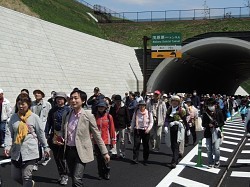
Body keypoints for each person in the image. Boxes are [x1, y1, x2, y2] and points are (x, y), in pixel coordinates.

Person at [61, 89, 110, 187]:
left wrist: (105, 152)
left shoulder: (88, 115)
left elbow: (97, 135)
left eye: (76, 98)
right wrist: (60, 138)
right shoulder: (66, 114)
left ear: (83, 101)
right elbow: (63, 130)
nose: (73, 100)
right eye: (71, 98)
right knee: (74, 178)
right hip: (69, 151)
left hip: (81, 151)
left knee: (77, 178)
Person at [4, 93, 50, 186]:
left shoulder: (34, 117)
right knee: (15, 176)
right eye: (19, 104)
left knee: (26, 176)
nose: (21, 106)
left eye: (23, 104)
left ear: (28, 104)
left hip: (30, 151)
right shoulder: (13, 117)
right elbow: (9, 133)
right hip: (16, 151)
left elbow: (40, 133)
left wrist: (46, 147)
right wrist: (7, 146)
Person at [45, 92, 70, 185]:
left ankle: (65, 175)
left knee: (63, 156)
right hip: (55, 135)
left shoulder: (68, 110)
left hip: (66, 135)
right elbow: (49, 123)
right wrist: (46, 133)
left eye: (61, 99)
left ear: (64, 100)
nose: (59, 100)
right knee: (57, 156)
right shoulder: (52, 110)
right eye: (57, 99)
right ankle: (61, 174)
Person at [94, 100, 116, 180]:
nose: (100, 108)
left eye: (102, 107)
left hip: (105, 140)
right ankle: (100, 173)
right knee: (98, 158)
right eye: (99, 106)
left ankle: (107, 171)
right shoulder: (94, 116)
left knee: (105, 158)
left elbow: (112, 129)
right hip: (96, 141)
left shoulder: (109, 116)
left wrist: (113, 141)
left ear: (105, 108)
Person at [31, 89, 52, 170]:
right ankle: (35, 162)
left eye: (38, 93)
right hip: (34, 127)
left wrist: (49, 129)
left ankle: (46, 157)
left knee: (44, 144)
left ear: (42, 95)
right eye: (35, 93)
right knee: (35, 145)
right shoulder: (32, 104)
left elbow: (49, 117)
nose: (36, 94)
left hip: (43, 127)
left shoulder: (47, 104)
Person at [164, 95, 186, 169]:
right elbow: (166, 119)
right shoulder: (169, 110)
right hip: (171, 128)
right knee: (172, 145)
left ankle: (174, 161)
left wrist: (188, 129)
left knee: (176, 145)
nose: (175, 102)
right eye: (173, 101)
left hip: (179, 129)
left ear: (178, 102)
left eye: (176, 101)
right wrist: (166, 126)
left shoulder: (181, 110)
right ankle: (175, 158)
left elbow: (185, 120)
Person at [202, 97, 224, 168]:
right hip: (208, 132)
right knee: (209, 149)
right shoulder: (205, 113)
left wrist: (217, 125)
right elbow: (203, 124)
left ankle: (217, 161)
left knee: (216, 148)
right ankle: (210, 162)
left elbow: (222, 122)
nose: (210, 106)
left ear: (215, 105)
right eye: (209, 104)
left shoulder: (219, 112)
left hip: (216, 132)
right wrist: (208, 125)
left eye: (212, 104)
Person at [130, 100, 153, 165]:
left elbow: (151, 122)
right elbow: (133, 121)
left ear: (145, 106)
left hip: (145, 130)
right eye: (140, 105)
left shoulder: (148, 112)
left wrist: (148, 129)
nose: (141, 107)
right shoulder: (136, 112)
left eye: (143, 105)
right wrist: (131, 129)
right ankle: (135, 159)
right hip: (138, 129)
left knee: (146, 145)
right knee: (136, 144)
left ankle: (145, 159)